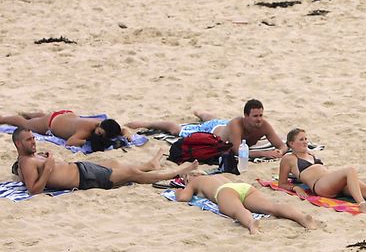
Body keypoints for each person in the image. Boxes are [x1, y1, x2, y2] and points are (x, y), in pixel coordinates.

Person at [11, 127, 198, 194]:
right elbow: (34, 190)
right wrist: (48, 168)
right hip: (85, 178)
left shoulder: (30, 158)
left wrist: (48, 160)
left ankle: (151, 165)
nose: (34, 142)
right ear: (18, 144)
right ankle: (175, 172)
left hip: (82, 168)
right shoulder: (26, 162)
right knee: (132, 174)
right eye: (29, 140)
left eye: (34, 138)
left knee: (117, 164)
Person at [278, 128, 366, 216]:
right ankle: (362, 205)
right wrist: (295, 187)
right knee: (350, 170)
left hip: (331, 182)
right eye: (301, 139)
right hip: (320, 186)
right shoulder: (289, 158)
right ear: (291, 143)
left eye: (306, 139)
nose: (305, 142)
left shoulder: (310, 154)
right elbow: (282, 183)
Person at [127, 99, 287, 159]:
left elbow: (282, 144)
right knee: (176, 130)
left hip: (222, 124)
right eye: (255, 116)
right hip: (212, 132)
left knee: (213, 119)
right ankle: (147, 123)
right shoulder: (237, 124)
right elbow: (238, 151)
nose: (259, 119)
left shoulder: (263, 125)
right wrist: (265, 153)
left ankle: (201, 112)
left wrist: (280, 151)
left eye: (261, 115)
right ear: (246, 116)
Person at [174, 173, 318, 233]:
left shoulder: (196, 181)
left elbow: (183, 198)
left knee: (237, 210)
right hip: (243, 187)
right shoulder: (217, 175)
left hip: (224, 191)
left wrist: (179, 191)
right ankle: (302, 218)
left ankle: (251, 224)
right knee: (271, 206)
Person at [0, 110, 130, 151]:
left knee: (38, 119)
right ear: (98, 127)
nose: (99, 136)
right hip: (51, 123)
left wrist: (127, 135)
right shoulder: (85, 130)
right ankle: (3, 118)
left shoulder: (106, 126)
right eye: (99, 134)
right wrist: (85, 141)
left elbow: (122, 130)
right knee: (25, 123)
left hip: (65, 115)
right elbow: (70, 142)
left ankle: (33, 114)